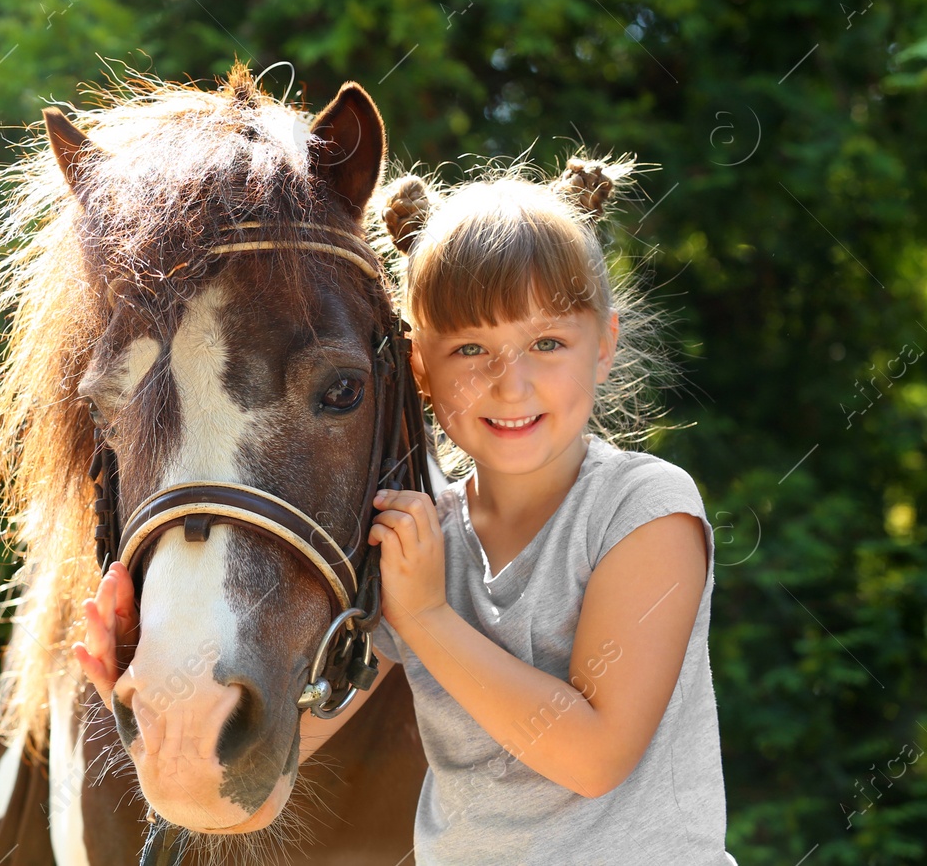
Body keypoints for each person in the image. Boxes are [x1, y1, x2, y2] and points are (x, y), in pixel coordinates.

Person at [74, 154, 737, 864]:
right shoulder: (421, 538)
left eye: (547, 343)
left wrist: (423, 617)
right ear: (420, 369)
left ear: (602, 345)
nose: (511, 384)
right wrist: (162, 708)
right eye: (472, 349)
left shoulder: (646, 509)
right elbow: (260, 787)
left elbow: (596, 758)